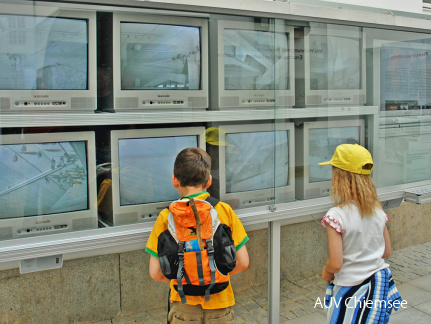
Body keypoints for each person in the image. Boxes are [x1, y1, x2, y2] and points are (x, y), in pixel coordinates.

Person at [145, 147, 249, 323]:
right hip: (220, 307)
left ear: (174, 180)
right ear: (208, 181)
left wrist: (185, 280)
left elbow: (155, 273)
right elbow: (243, 262)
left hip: (183, 310)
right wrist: (215, 276)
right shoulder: (224, 211)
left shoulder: (166, 217)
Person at [319, 143, 403, 324]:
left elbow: (336, 263)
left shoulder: (336, 216)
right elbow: (386, 252)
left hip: (351, 289)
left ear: (338, 178)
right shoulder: (377, 211)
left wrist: (327, 271)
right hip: (379, 285)